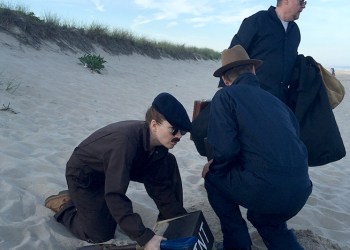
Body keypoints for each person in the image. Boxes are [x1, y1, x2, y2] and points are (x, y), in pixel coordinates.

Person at [44, 92, 192, 250]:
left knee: (168, 163)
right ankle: (66, 204)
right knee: (99, 234)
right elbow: (114, 194)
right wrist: (144, 237)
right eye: (173, 130)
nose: (178, 137)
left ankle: (174, 218)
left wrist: (177, 223)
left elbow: (159, 185)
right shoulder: (124, 143)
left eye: (182, 132)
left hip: (117, 168)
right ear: (154, 125)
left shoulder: (158, 144)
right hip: (86, 176)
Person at [202, 45, 312, 250]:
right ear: (253, 70)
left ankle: (237, 245)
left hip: (266, 189)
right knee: (265, 219)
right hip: (301, 189)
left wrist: (213, 165)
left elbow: (226, 151)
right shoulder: (277, 103)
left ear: (225, 80)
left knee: (212, 178)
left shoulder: (225, 96)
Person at [219, 0, 307, 104]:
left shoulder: (295, 31)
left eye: (304, 3)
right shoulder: (258, 20)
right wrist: (226, 89)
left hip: (281, 101)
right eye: (301, 2)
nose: (303, 6)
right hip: (253, 97)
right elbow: (234, 54)